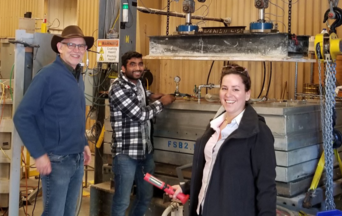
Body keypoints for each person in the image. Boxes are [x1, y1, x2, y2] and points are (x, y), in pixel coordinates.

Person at [170, 64, 276, 216]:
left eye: (236, 89)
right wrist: (186, 187)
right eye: (224, 88)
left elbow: (266, 186)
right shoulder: (215, 125)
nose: (228, 94)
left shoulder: (258, 132)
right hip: (203, 210)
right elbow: (211, 168)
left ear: (247, 94)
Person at [13, 25, 93, 216]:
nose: (76, 50)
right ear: (60, 47)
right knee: (54, 213)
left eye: (81, 46)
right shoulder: (47, 76)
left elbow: (74, 114)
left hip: (76, 157)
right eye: (71, 45)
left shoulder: (76, 75)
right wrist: (39, 154)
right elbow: (22, 116)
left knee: (69, 213)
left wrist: (84, 143)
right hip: (57, 159)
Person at [109, 51, 175, 216]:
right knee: (122, 201)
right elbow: (140, 114)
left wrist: (150, 95)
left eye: (140, 64)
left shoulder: (138, 83)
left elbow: (138, 94)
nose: (138, 68)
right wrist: (162, 102)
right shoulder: (117, 87)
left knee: (145, 197)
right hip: (126, 155)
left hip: (145, 152)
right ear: (123, 68)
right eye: (133, 64)